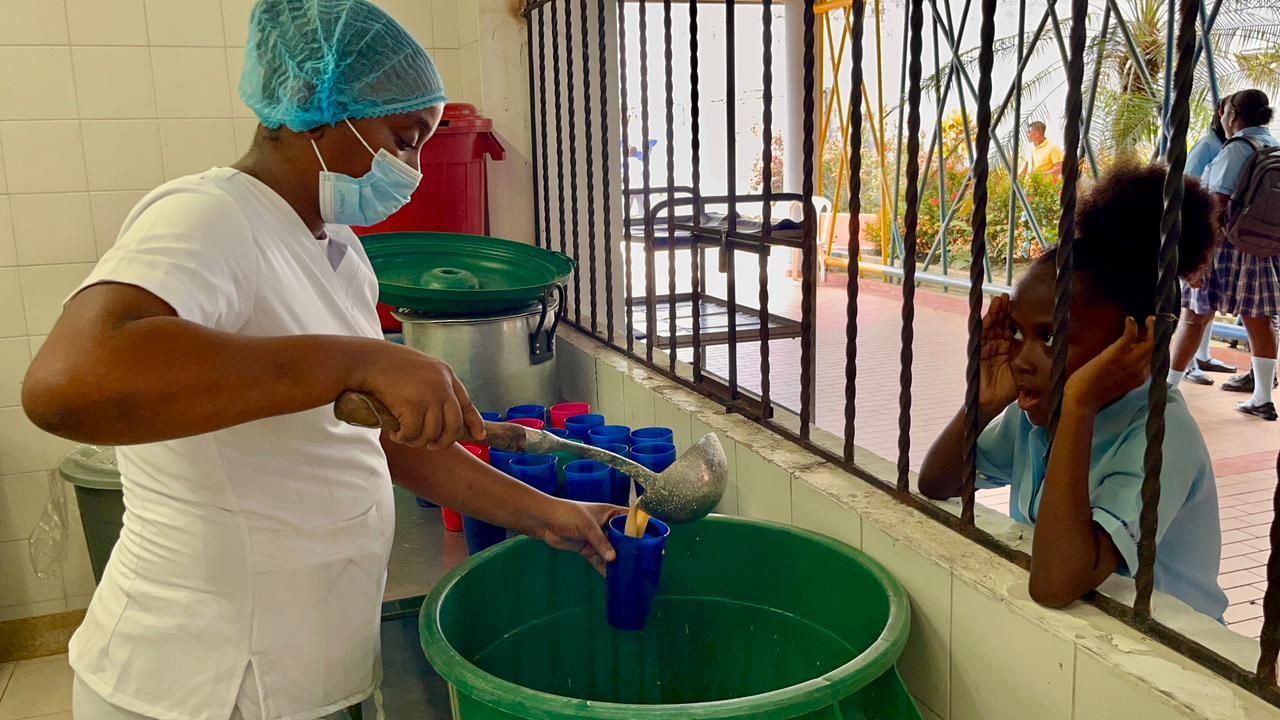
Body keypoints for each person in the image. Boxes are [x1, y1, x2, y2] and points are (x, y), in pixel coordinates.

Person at [21, 2, 622, 719]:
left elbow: (383, 441)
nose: (412, 170)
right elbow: (66, 385)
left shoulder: (337, 250)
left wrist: (548, 515)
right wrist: (356, 362)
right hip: (196, 683)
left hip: (303, 668)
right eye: (402, 140)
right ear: (315, 110)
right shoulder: (208, 216)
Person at [919, 164, 1228, 621]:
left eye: (1051, 338)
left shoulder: (1159, 437)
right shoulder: (1038, 412)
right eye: (1018, 332)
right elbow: (937, 482)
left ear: (1139, 343)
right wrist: (981, 407)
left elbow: (1056, 583)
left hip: (1169, 647)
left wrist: (1080, 407)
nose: (1023, 360)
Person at [1171, 89, 1280, 421]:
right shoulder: (1271, 144)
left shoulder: (1237, 149)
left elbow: (1216, 204)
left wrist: (1200, 259)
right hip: (1261, 247)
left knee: (1194, 314)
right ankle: (1262, 397)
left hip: (1225, 247)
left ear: (1231, 115)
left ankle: (1168, 387)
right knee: (1260, 320)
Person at [1170, 97, 1238, 387]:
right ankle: (1188, 364)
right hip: (1200, 230)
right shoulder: (1209, 146)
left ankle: (1201, 356)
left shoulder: (1227, 146)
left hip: (1211, 231)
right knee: (1196, 306)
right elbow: (1189, 185)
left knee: (1204, 305)